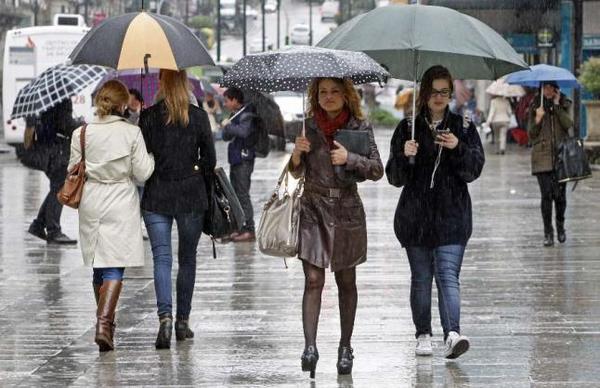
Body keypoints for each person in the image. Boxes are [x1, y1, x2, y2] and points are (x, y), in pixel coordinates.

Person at [385, 65, 485, 360]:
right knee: (421, 278)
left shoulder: (464, 127)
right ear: (424, 93)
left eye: (444, 92)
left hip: (452, 216)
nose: (439, 97)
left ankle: (452, 333)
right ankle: (423, 334)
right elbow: (394, 177)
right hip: (415, 218)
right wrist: (405, 155)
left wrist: (457, 148)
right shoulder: (407, 128)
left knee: (448, 275)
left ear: (450, 94)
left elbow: (473, 171)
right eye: (434, 91)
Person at [289, 77, 384, 377]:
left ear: (346, 95)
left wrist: (350, 158)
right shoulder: (307, 126)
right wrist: (296, 154)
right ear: (315, 96)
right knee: (313, 279)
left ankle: (345, 347)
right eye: (322, 92)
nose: (328, 98)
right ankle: (310, 346)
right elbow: (294, 172)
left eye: (334, 92)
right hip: (313, 208)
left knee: (346, 281)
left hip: (347, 211)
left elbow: (377, 169)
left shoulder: (359, 126)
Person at [68, 80, 155, 352]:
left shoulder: (81, 133)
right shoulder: (132, 133)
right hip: (120, 200)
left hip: (92, 200)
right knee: (115, 263)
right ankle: (104, 324)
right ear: (122, 105)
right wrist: (150, 156)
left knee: (98, 263)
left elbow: (73, 168)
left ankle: (106, 323)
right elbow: (143, 173)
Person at [140, 69, 216, 349]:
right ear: (185, 83)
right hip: (190, 195)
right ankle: (183, 321)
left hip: (157, 194)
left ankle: (165, 319)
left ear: (161, 82)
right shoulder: (197, 117)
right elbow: (210, 158)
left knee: (162, 258)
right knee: (187, 259)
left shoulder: (148, 117)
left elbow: (142, 156)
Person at [27, 99, 80, 244]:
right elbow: (65, 124)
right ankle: (53, 231)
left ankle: (38, 225)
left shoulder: (45, 98)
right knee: (59, 190)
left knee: (56, 188)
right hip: (58, 152)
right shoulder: (62, 99)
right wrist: (80, 124)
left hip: (46, 149)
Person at [528, 81, 573, 247]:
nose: (547, 91)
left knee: (560, 197)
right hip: (542, 157)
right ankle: (548, 232)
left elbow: (569, 125)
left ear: (555, 89)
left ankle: (560, 225)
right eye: (544, 88)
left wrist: (557, 107)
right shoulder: (534, 105)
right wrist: (538, 119)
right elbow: (531, 135)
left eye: (550, 87)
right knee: (546, 196)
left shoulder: (565, 103)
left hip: (561, 157)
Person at [221, 86, 258, 242]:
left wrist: (228, 126)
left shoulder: (247, 115)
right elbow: (225, 137)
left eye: (227, 100)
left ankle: (249, 229)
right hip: (235, 159)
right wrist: (227, 127)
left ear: (235, 100)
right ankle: (240, 227)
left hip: (244, 160)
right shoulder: (234, 115)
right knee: (235, 195)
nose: (225, 104)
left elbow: (243, 132)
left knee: (243, 194)